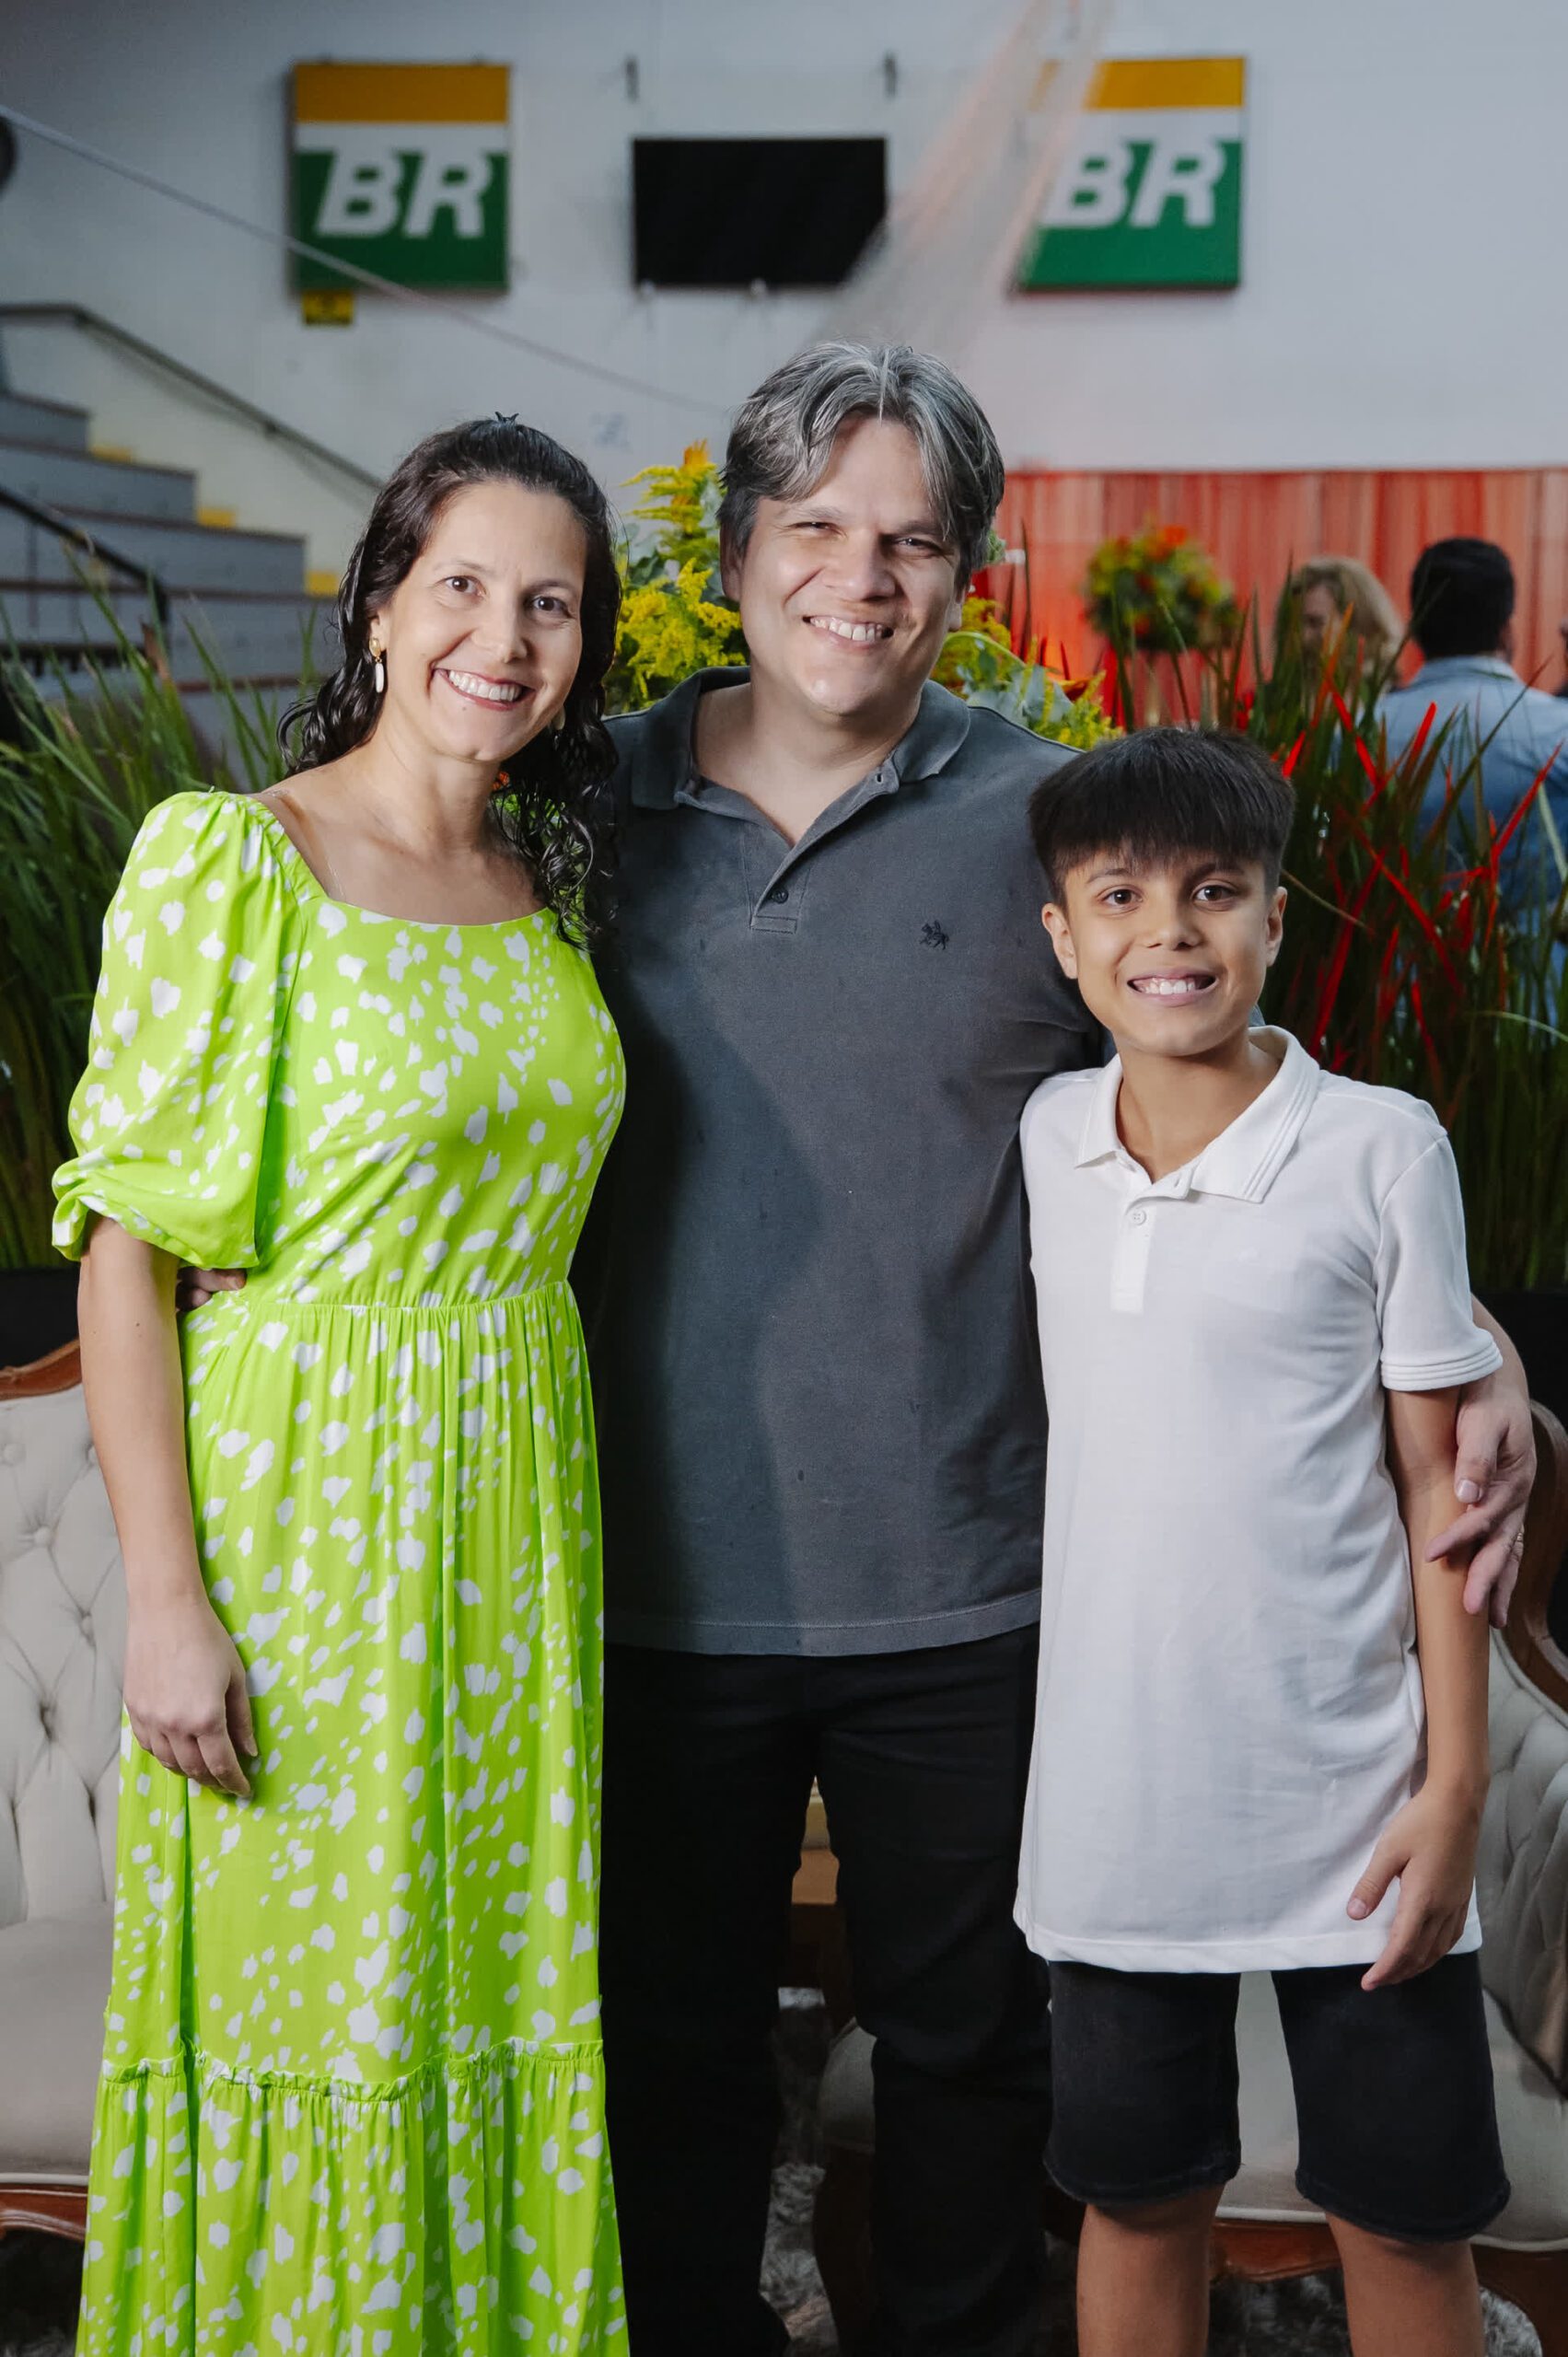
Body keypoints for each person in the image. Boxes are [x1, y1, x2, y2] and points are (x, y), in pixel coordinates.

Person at [569, 344, 1535, 2357]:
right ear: (732, 552)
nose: (859, 577)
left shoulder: (1040, 820)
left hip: (973, 1591)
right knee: (663, 2058)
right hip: (655, 1580)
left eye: (912, 540)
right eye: (814, 528)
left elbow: (1268, 1120)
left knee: (973, 2068)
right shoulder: (588, 806)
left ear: (968, 572)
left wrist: (1482, 1369)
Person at [52, 419, 628, 2354]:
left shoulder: (550, 884)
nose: (502, 637)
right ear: (379, 605)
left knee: (483, 1994)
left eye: (547, 602)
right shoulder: (238, 858)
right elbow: (128, 1253)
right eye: (460, 584)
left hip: (512, 1516)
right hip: (306, 1516)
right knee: (312, 2007)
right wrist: (164, 1602)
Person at [1019, 728, 1508, 2357]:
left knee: (1405, 2217)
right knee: (1134, 2200)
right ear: (1061, 936)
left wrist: (1452, 1792)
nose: (1168, 932)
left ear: (1274, 918)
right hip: (1116, 1816)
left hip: (1357, 1811)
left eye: (1213, 891)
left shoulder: (1380, 1147)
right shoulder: (1047, 1139)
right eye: (1119, 897)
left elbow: (1444, 1495)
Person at [1380, 537, 1568, 917]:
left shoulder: (1355, 733)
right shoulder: (1558, 731)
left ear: (1414, 628)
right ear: (1506, 630)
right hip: (1537, 954)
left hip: (1388, 952)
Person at [1279, 553, 1402, 675]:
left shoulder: (1390, 690)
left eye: (1315, 623)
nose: (1302, 637)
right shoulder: (1277, 687)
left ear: (1363, 629)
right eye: (1291, 624)